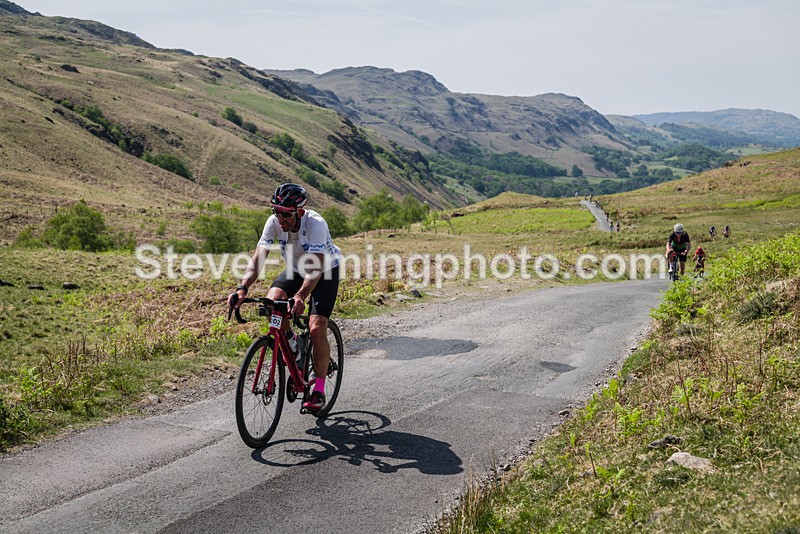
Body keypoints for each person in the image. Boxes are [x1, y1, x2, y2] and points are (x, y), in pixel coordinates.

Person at [228, 183, 342, 413]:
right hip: (296, 269)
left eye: (285, 214)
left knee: (316, 327)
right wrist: (242, 288)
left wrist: (300, 296)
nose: (280, 219)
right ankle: (293, 345)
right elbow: (258, 259)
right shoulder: (274, 223)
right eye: (276, 212)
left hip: (324, 270)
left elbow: (316, 268)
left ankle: (318, 389)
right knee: (273, 301)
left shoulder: (316, 224)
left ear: (299, 211)